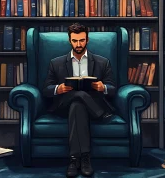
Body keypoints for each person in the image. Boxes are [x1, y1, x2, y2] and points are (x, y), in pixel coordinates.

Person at [43, 23, 116, 178]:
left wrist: (103, 87)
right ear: (69, 40)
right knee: (77, 96)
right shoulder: (56, 63)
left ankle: (77, 158)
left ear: (87, 40)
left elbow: (113, 88)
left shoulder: (103, 62)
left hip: (85, 107)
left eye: (81, 40)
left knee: (78, 104)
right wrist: (58, 89)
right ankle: (100, 114)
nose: (78, 44)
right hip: (64, 105)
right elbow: (46, 89)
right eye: (75, 41)